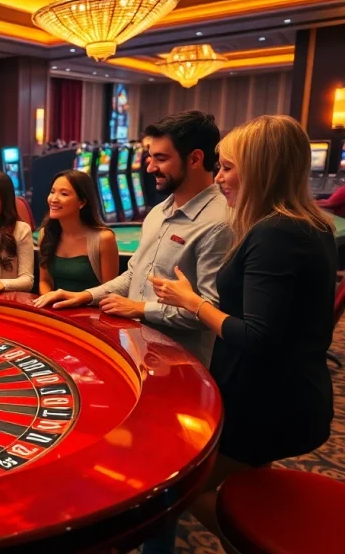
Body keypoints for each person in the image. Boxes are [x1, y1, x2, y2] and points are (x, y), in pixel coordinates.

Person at [149, 115, 336, 536]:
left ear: (261, 169)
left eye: (228, 167)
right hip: (289, 393)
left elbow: (258, 339)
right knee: (248, 485)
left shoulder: (275, 234)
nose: (218, 179)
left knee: (180, 489)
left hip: (266, 402)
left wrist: (192, 302)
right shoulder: (311, 225)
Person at [35, 111, 233, 367]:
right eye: (150, 158)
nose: (150, 168)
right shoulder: (157, 213)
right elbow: (133, 274)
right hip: (139, 350)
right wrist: (84, 295)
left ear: (195, 159)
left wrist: (140, 309)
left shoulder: (219, 223)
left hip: (182, 365)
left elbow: (211, 313)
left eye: (161, 159)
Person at [37, 170, 119, 294]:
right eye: (52, 192)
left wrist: (70, 299)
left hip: (91, 311)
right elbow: (44, 281)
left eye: (64, 194)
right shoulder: (46, 234)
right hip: (55, 308)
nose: (54, 199)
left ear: (82, 202)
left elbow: (109, 291)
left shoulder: (104, 239)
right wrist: (49, 300)